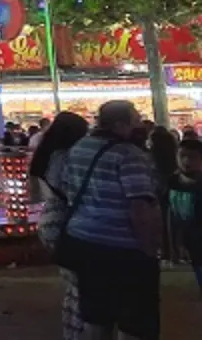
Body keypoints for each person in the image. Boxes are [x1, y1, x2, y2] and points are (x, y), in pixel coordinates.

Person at [64, 100, 161, 340]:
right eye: (135, 120)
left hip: (84, 242)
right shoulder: (129, 154)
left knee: (97, 317)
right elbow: (139, 207)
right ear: (119, 124)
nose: (140, 125)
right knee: (135, 321)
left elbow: (68, 188)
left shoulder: (79, 148)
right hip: (123, 249)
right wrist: (149, 249)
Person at [29, 111, 90, 340]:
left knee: (75, 285)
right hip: (64, 220)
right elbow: (68, 190)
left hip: (51, 219)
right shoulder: (64, 157)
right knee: (81, 287)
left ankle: (74, 332)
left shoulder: (46, 155)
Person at [168, 138, 202, 294]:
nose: (186, 161)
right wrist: (174, 243)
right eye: (182, 156)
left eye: (193, 157)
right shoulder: (173, 181)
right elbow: (171, 213)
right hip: (190, 241)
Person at [148, 126, 179, 263]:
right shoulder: (175, 157)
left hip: (157, 194)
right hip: (174, 194)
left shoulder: (149, 158)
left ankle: (165, 251)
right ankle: (175, 252)